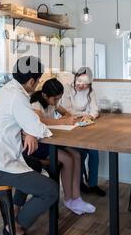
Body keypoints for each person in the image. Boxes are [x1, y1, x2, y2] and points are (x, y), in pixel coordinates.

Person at [0, 56, 59, 235]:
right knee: (50, 190)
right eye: (38, 81)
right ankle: (15, 226)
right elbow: (38, 128)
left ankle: (13, 212)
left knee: (34, 164)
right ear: (31, 81)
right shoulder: (17, 96)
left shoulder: (8, 90)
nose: (37, 84)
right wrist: (32, 130)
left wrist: (29, 129)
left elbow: (27, 123)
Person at [30, 78, 96, 215]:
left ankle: (76, 198)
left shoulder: (53, 102)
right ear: (45, 95)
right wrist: (60, 121)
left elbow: (65, 113)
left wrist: (64, 118)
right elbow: (39, 120)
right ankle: (68, 199)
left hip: (50, 140)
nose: (56, 102)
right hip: (37, 144)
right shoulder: (36, 103)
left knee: (77, 155)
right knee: (67, 159)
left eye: (58, 99)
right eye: (55, 99)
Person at [61, 67, 106, 197]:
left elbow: (94, 109)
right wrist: (84, 114)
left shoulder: (90, 91)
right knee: (80, 153)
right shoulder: (67, 88)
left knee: (94, 151)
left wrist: (90, 116)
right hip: (69, 126)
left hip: (84, 125)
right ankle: (78, 183)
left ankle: (93, 184)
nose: (82, 85)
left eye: (85, 83)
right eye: (80, 81)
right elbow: (67, 111)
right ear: (75, 78)